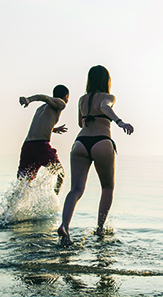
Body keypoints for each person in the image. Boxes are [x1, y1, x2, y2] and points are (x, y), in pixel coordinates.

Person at [57, 65, 133, 246]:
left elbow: (79, 123)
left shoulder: (82, 99)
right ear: (106, 80)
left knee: (76, 189)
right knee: (107, 187)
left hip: (80, 144)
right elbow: (104, 106)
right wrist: (120, 122)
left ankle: (64, 226)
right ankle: (99, 229)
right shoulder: (108, 97)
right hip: (102, 142)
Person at [17, 85, 70, 194]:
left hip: (27, 146)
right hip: (40, 146)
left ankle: (9, 208)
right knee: (60, 173)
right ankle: (53, 202)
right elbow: (44, 97)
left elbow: (40, 126)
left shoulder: (41, 108)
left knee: (23, 182)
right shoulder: (61, 103)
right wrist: (29, 100)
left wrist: (53, 129)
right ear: (66, 97)